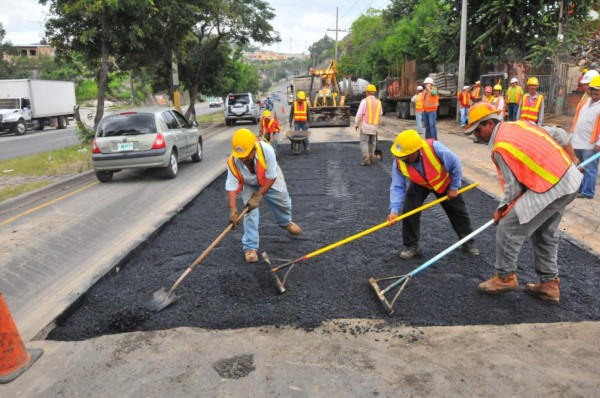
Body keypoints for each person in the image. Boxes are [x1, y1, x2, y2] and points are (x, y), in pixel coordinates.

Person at [465, 102, 582, 304]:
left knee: (508, 227)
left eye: (477, 130)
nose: (476, 135)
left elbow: (513, 189)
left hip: (549, 187)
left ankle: (504, 277)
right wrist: (572, 159)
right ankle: (549, 285)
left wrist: (501, 210)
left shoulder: (500, 148)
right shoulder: (523, 124)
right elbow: (561, 134)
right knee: (545, 232)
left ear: (490, 123)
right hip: (569, 182)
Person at [387, 129, 480, 259]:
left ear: (415, 151)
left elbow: (455, 163)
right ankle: (411, 246)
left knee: (458, 211)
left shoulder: (435, 148)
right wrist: (394, 210)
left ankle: (467, 242)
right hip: (420, 183)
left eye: (405, 157)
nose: (403, 159)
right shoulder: (399, 161)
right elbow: (397, 186)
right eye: (401, 157)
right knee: (409, 210)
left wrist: (454, 187)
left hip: (443, 181)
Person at [226, 128, 302, 263]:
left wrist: (259, 195)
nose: (243, 159)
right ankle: (250, 248)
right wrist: (233, 209)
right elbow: (231, 185)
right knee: (249, 212)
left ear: (253, 149)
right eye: (240, 157)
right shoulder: (233, 161)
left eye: (246, 155)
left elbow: (271, 177)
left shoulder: (266, 150)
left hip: (269, 179)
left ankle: (285, 222)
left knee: (283, 202)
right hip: (249, 184)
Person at [571, 75, 600, 199]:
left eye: (596, 90)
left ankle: (588, 192)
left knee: (590, 169)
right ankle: (581, 189)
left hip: (591, 144)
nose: (593, 92)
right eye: (592, 89)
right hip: (578, 141)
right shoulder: (586, 102)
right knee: (580, 167)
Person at [355, 84, 383, 166]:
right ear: (374, 93)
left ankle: (366, 160)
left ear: (367, 92)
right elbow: (380, 113)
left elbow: (360, 113)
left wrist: (357, 123)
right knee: (372, 143)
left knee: (364, 142)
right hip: (374, 126)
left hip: (365, 125)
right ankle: (372, 158)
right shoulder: (378, 102)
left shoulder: (364, 101)